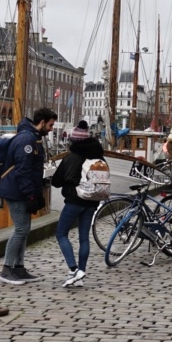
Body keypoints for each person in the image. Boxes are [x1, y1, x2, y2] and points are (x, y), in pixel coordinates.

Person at [0, 107, 57, 285]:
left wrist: (34, 193)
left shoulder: (32, 138)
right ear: (42, 122)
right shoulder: (27, 141)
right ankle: (7, 269)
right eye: (51, 125)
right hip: (16, 192)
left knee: (24, 230)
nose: (52, 128)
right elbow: (23, 171)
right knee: (21, 229)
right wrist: (31, 196)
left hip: (20, 190)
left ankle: (19, 268)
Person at [51, 120, 105, 287]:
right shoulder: (98, 156)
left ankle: (73, 269)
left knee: (61, 233)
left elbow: (56, 181)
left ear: (73, 140)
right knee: (84, 238)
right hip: (92, 201)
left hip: (75, 200)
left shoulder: (71, 157)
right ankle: (81, 271)